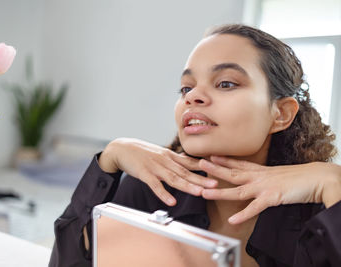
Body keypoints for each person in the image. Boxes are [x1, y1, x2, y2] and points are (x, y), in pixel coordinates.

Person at [49, 24, 341, 267]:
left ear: (281, 113)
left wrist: (332, 181)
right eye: (186, 88)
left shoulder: (321, 211)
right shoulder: (150, 190)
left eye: (226, 83)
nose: (193, 97)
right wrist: (109, 159)